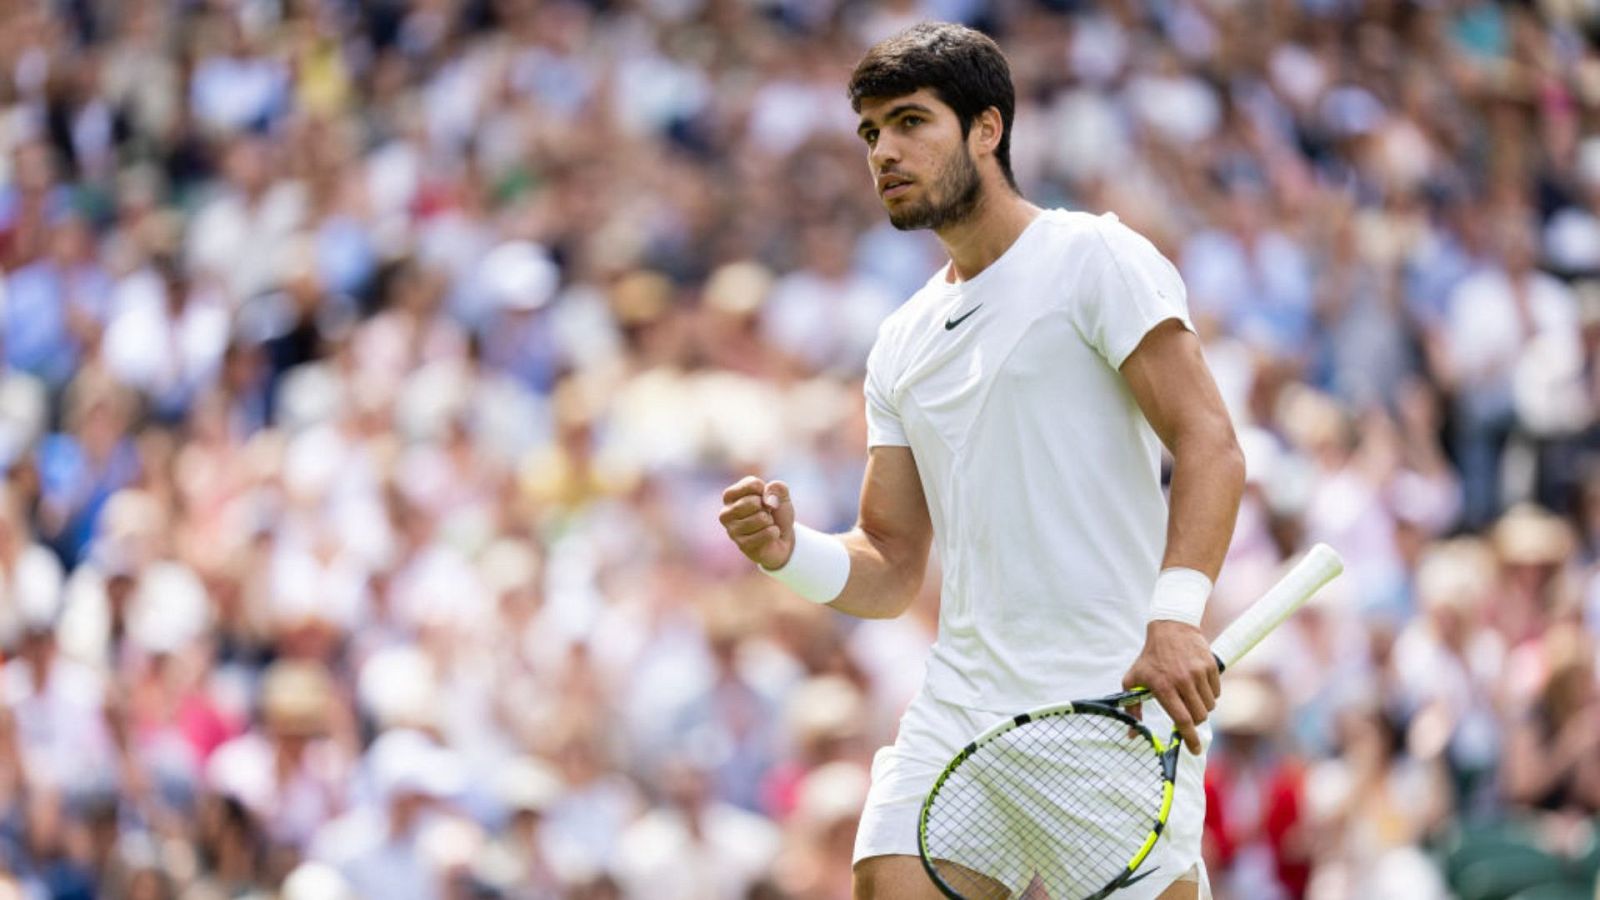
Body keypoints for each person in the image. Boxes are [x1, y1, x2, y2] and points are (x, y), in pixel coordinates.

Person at [717, 22, 1245, 900]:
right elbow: (889, 567)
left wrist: (1179, 616)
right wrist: (788, 551)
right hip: (961, 714)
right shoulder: (900, 343)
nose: (884, 150)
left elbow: (1210, 442)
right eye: (871, 132)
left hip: (1104, 713)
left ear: (987, 129)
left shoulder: (1094, 257)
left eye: (910, 122)